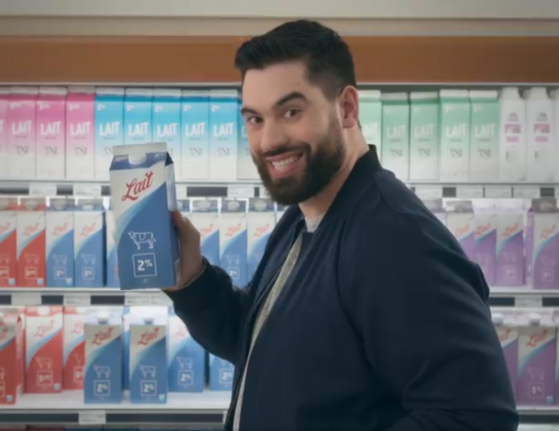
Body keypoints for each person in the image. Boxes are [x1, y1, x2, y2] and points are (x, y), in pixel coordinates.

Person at [164, 19, 518, 431]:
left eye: (291, 112)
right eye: (255, 119)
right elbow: (264, 345)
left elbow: (475, 416)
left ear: (347, 108)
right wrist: (191, 279)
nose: (269, 140)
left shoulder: (393, 239)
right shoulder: (303, 216)